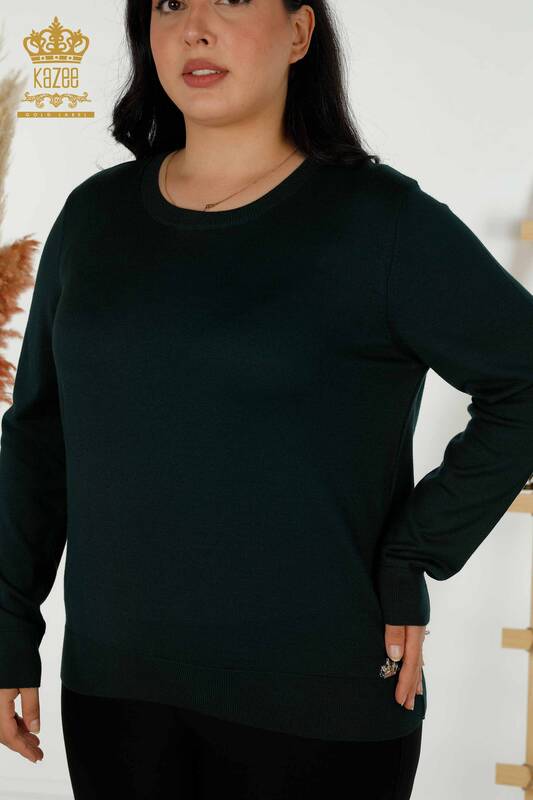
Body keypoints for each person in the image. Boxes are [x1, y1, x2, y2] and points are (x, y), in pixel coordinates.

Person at [1, 0, 532, 797]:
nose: (195, 26)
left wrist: (413, 551)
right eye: (169, 4)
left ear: (299, 31)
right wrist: (8, 623)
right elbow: (39, 438)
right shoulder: (95, 216)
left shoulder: (381, 222)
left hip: (319, 702)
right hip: (117, 694)